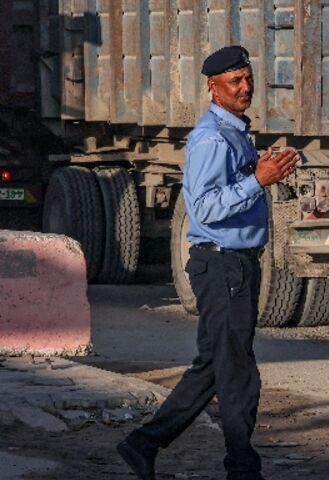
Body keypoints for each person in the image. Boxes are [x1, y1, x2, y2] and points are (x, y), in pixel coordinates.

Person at [117, 45, 299, 480]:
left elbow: (231, 185)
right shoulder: (211, 138)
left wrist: (260, 168)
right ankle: (242, 468)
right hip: (221, 266)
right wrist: (259, 180)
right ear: (213, 89)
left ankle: (142, 444)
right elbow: (205, 208)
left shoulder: (236, 131)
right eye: (234, 81)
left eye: (248, 78)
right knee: (237, 373)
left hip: (236, 265)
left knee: (213, 366)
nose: (245, 87)